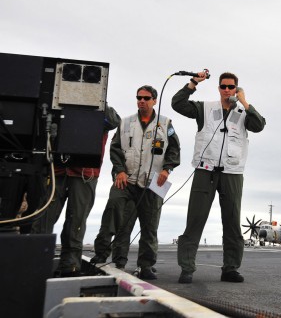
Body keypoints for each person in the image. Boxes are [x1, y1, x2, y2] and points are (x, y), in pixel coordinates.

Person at [172, 71, 266, 284]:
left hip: (232, 173)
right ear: (218, 88)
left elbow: (259, 125)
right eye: (223, 86)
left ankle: (230, 268)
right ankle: (187, 268)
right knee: (195, 219)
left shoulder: (244, 113)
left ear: (236, 89)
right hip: (205, 171)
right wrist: (194, 82)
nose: (226, 90)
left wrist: (245, 102)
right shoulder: (204, 109)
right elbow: (177, 103)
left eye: (231, 87)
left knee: (232, 221)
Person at [91, 85, 180, 280]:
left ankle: (146, 265)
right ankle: (107, 257)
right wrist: (119, 171)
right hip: (127, 179)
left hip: (154, 181)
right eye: (139, 97)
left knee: (150, 225)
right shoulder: (125, 123)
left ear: (154, 100)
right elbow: (115, 149)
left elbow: (174, 150)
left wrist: (167, 169)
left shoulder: (166, 124)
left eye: (146, 98)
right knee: (115, 213)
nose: (142, 101)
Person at [31, 105, 120, 277]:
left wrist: (97, 99)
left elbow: (114, 122)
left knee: (76, 222)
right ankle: (35, 263)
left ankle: (70, 266)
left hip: (84, 174)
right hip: (56, 171)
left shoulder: (102, 110)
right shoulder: (57, 102)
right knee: (44, 216)